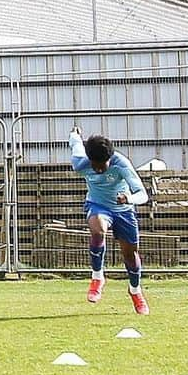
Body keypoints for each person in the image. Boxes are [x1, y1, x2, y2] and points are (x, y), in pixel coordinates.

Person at [68, 127, 149, 315]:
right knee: (97, 230)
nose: (97, 170)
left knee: (130, 255)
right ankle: (97, 278)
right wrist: (74, 134)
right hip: (97, 205)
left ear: (109, 159)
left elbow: (142, 194)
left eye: (101, 166)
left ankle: (135, 291)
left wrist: (129, 199)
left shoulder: (121, 165)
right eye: (94, 166)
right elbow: (76, 145)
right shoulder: (81, 163)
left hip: (123, 209)